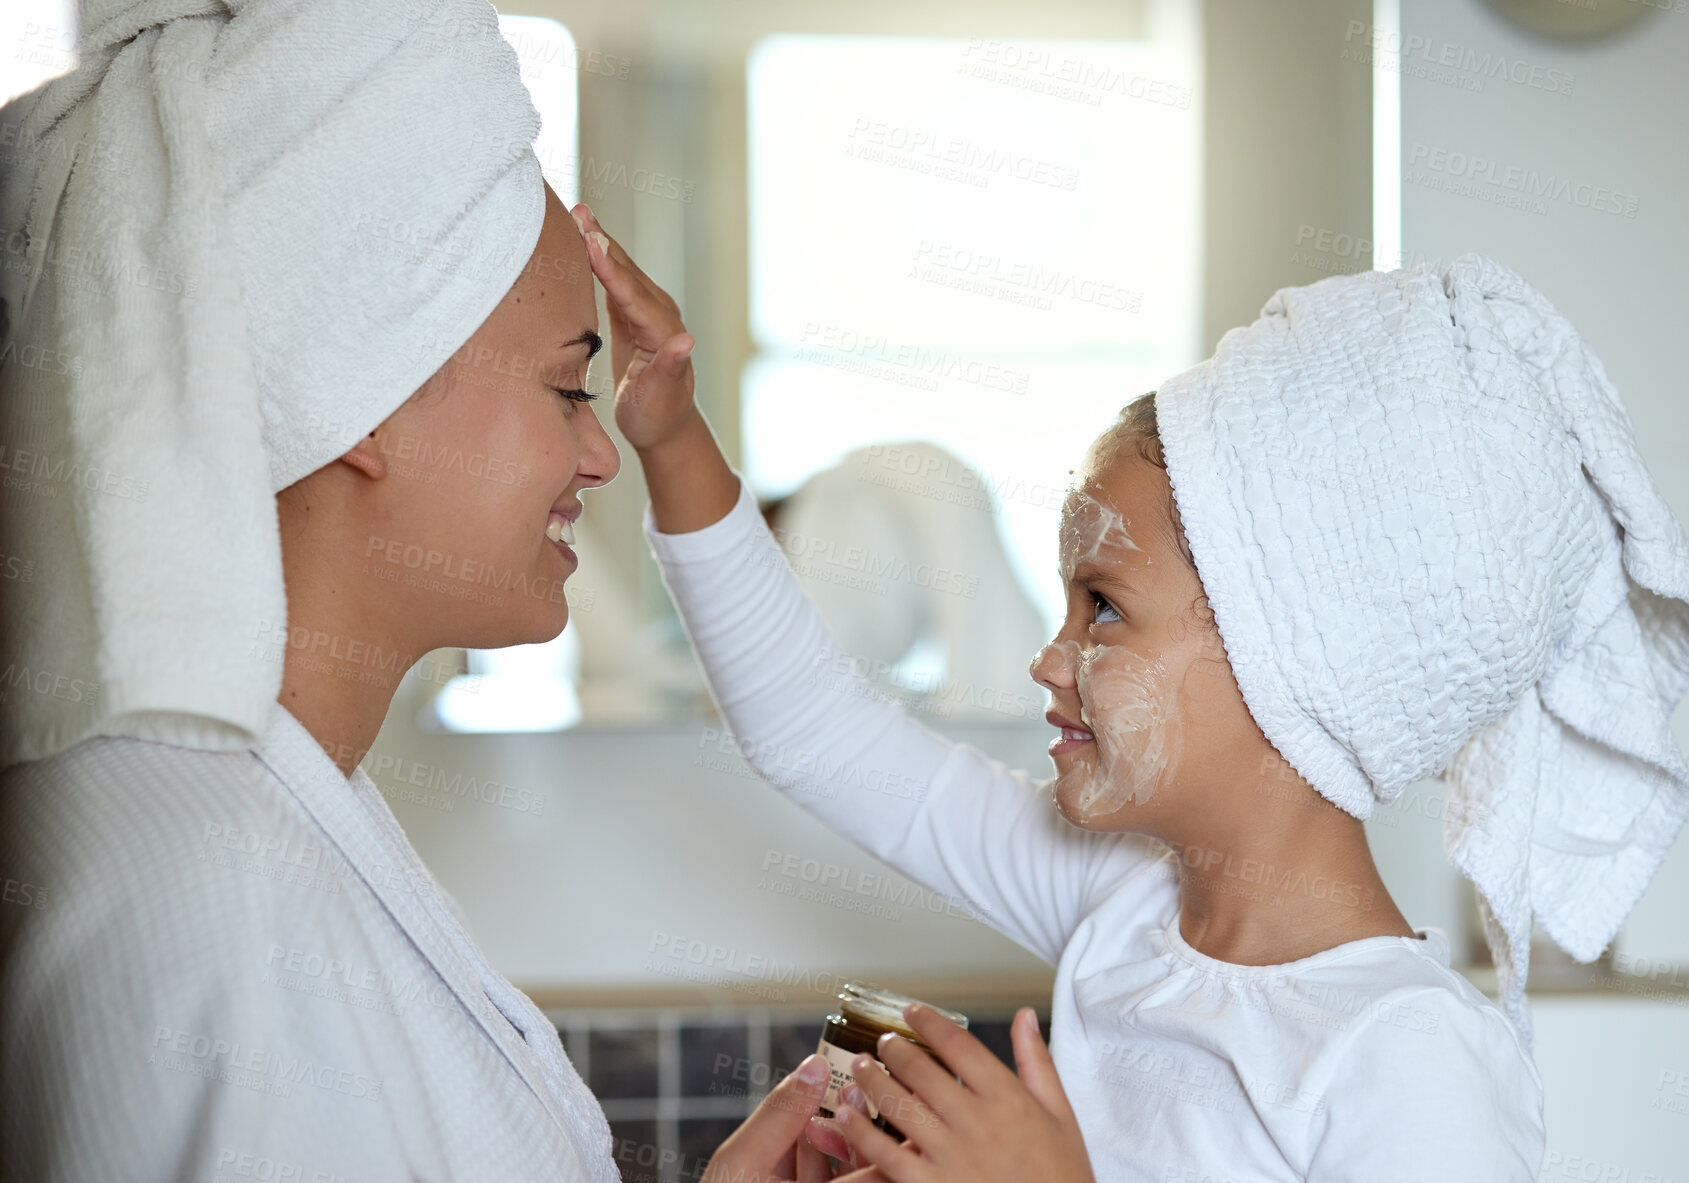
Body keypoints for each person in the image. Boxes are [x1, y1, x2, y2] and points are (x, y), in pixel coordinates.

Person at [0, 1, 1075, 1179]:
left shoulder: (289, 815)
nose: (603, 451)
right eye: (571, 388)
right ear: (367, 390)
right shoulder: (201, 901)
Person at [589, 188, 1689, 1180]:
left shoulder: (1412, 1061)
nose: (1045, 656)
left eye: (1102, 607)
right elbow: (815, 732)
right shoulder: (1119, 906)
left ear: (1288, 656)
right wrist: (676, 439)